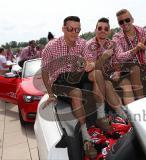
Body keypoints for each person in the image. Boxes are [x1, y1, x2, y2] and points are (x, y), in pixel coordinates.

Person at [41, 16, 113, 158]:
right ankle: (86, 139)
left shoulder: (82, 43)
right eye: (71, 29)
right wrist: (50, 94)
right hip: (59, 80)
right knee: (76, 93)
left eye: (78, 29)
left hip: (76, 75)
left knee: (97, 73)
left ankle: (100, 116)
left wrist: (90, 64)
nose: (75, 32)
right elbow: (44, 72)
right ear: (63, 29)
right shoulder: (51, 46)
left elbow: (90, 62)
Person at [84, 17, 135, 107]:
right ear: (95, 30)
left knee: (126, 83)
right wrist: (103, 57)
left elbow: (117, 62)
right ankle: (120, 113)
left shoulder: (112, 44)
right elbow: (89, 68)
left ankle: (132, 112)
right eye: (100, 28)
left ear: (109, 31)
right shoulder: (88, 45)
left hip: (109, 74)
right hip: (95, 76)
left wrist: (117, 72)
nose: (103, 30)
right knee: (107, 83)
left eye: (106, 29)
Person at [113, 9, 146, 93]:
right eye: (121, 22)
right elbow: (119, 57)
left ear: (132, 19)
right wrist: (136, 49)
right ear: (119, 24)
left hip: (144, 69)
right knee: (135, 69)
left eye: (127, 20)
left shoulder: (143, 32)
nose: (124, 23)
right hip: (126, 72)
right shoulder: (117, 37)